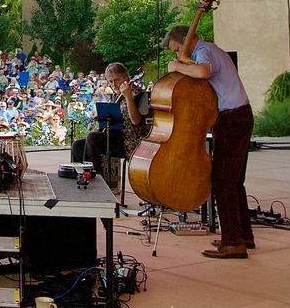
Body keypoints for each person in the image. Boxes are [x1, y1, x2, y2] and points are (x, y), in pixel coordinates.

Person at [166, 24, 254, 259]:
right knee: (235, 182)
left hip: (232, 118)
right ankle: (243, 235)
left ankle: (233, 242)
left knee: (222, 181)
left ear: (186, 40)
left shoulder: (204, 52)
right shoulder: (211, 49)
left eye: (177, 49)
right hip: (240, 115)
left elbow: (203, 72)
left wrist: (177, 67)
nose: (177, 55)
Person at [74, 63, 147, 193]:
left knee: (93, 138)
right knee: (78, 145)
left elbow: (136, 121)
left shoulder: (141, 95)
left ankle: (93, 183)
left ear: (126, 78)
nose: (114, 84)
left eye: (117, 80)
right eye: (111, 81)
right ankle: (79, 180)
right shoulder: (116, 96)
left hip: (131, 143)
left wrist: (128, 97)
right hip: (116, 138)